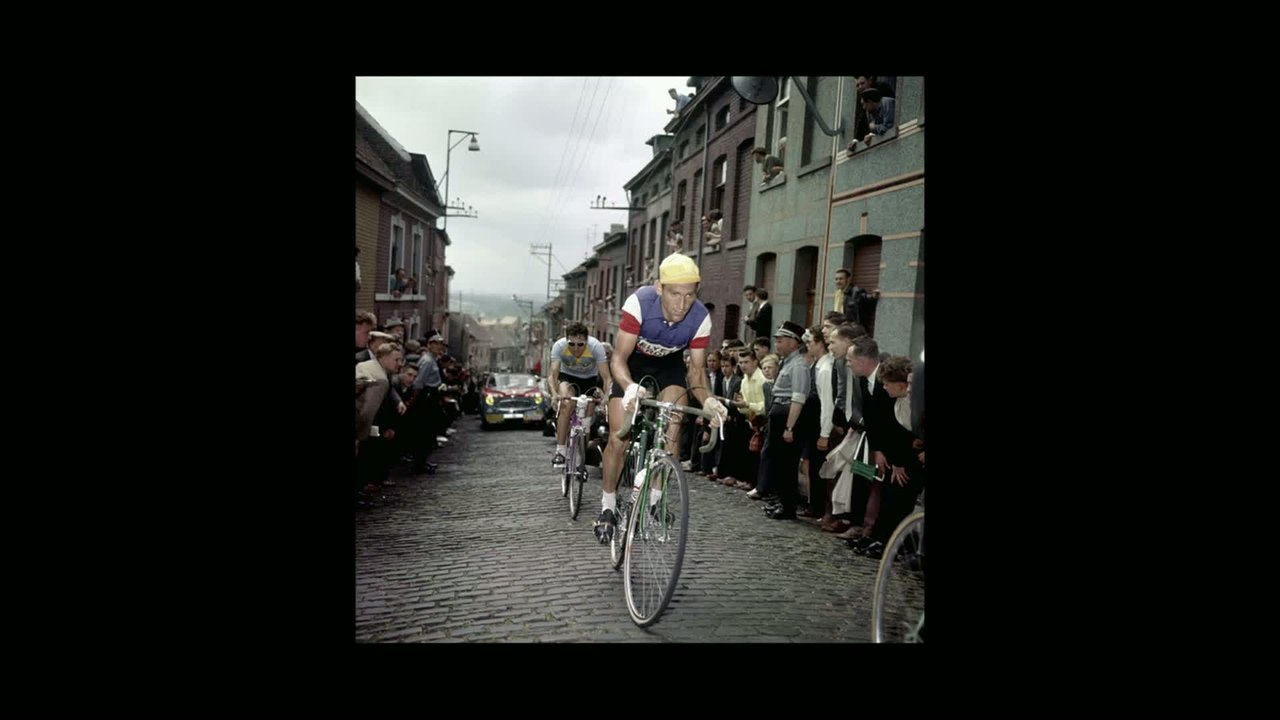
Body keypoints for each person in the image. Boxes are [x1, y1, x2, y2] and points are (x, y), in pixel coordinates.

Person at [594, 253, 729, 543]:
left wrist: (709, 401)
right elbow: (618, 358)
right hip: (633, 364)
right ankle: (607, 506)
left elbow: (696, 373)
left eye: (689, 295)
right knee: (619, 437)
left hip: (669, 366)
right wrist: (629, 387)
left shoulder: (700, 317)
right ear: (659, 288)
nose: (682, 304)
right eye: (675, 294)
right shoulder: (639, 303)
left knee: (675, 420)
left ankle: (655, 501)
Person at [547, 321, 612, 468]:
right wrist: (554, 394)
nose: (576, 348)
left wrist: (606, 396)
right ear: (566, 340)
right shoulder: (559, 346)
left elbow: (607, 378)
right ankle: (560, 451)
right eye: (572, 344)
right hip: (567, 378)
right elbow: (553, 375)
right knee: (567, 403)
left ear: (586, 341)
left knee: (586, 420)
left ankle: (581, 460)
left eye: (580, 344)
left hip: (589, 381)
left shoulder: (595, 347)